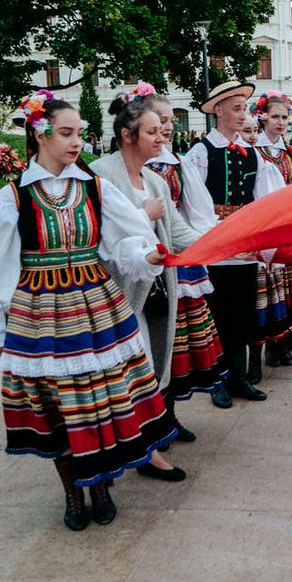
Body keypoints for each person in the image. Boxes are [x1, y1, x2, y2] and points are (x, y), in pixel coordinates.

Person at [0, 91, 176, 530]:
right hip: (38, 311)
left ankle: (98, 485)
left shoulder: (93, 188)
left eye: (79, 133)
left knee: (98, 401)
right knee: (56, 404)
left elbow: (123, 244)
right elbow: (0, 269)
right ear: (39, 135)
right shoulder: (12, 199)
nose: (76, 142)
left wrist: (146, 258)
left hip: (96, 305)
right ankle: (71, 494)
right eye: (66, 133)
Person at [91, 86, 203, 484]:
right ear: (128, 134)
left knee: (150, 370)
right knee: (123, 377)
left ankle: (145, 447)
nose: (162, 137)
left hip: (157, 289)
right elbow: (99, 235)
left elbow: (178, 232)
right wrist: (142, 214)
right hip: (119, 294)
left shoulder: (155, 181)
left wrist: (228, 243)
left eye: (163, 130)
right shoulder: (102, 175)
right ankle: (135, 451)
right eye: (153, 131)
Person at [143, 93, 232, 412]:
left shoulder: (178, 164)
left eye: (168, 121)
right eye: (159, 121)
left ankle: (179, 407)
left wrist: (213, 244)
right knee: (153, 340)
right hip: (142, 264)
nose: (166, 127)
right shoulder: (123, 168)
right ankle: (157, 412)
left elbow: (198, 212)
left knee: (185, 338)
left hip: (178, 262)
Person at [182, 81, 269, 402]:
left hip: (244, 246)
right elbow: (192, 203)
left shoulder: (251, 153)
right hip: (216, 246)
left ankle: (240, 377)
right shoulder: (201, 153)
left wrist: (259, 237)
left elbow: (261, 198)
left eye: (244, 108)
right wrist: (209, 240)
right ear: (218, 110)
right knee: (218, 313)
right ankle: (218, 381)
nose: (242, 114)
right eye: (236, 108)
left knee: (244, 311)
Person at [251, 91, 292, 367]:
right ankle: (269, 348)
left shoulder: (291, 153)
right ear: (263, 117)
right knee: (271, 291)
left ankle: (284, 343)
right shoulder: (255, 150)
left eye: (284, 117)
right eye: (275, 117)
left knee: (289, 290)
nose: (280, 122)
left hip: (289, 223)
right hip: (267, 225)